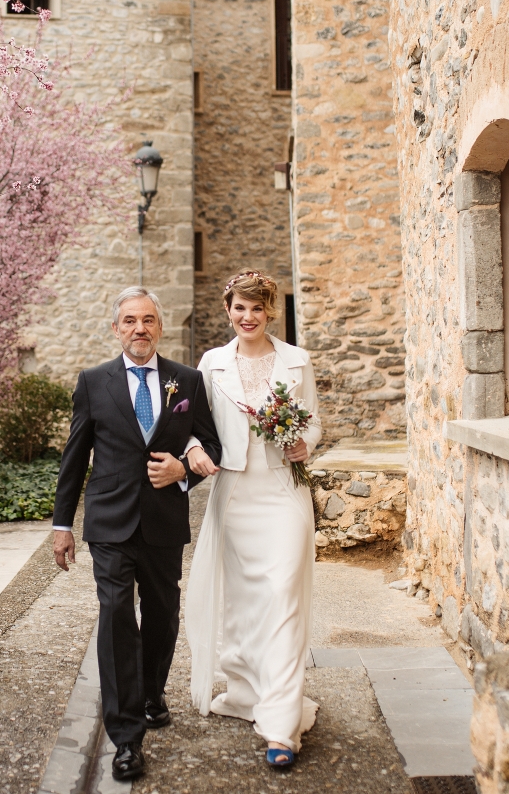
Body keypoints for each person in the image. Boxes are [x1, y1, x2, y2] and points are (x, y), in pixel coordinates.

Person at [52, 287, 222, 782]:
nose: (139, 329)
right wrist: (63, 525)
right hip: (109, 522)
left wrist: (183, 473)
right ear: (116, 328)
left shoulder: (186, 380)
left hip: (164, 520)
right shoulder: (92, 382)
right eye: (129, 321)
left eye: (148, 320)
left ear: (160, 327)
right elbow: (74, 457)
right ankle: (126, 737)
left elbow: (210, 441)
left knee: (164, 613)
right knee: (116, 616)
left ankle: (151, 692)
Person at [185, 270, 322, 769]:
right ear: (228, 311)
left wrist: (306, 442)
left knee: (284, 593)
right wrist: (194, 447)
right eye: (239, 308)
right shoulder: (211, 364)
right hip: (235, 493)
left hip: (284, 491)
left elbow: (314, 420)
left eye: (257, 308)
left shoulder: (296, 360)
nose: (248, 317)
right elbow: (192, 424)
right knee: (244, 602)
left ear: (270, 312)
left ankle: (281, 725)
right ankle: (246, 692)